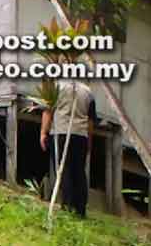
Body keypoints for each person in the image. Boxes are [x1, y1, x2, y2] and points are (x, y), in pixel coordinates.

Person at [40, 80, 96, 218]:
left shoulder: (56, 87)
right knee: (79, 172)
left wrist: (43, 132)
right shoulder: (88, 92)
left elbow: (48, 111)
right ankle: (80, 210)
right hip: (80, 135)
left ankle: (68, 207)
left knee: (63, 170)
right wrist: (89, 140)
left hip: (61, 132)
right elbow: (90, 121)